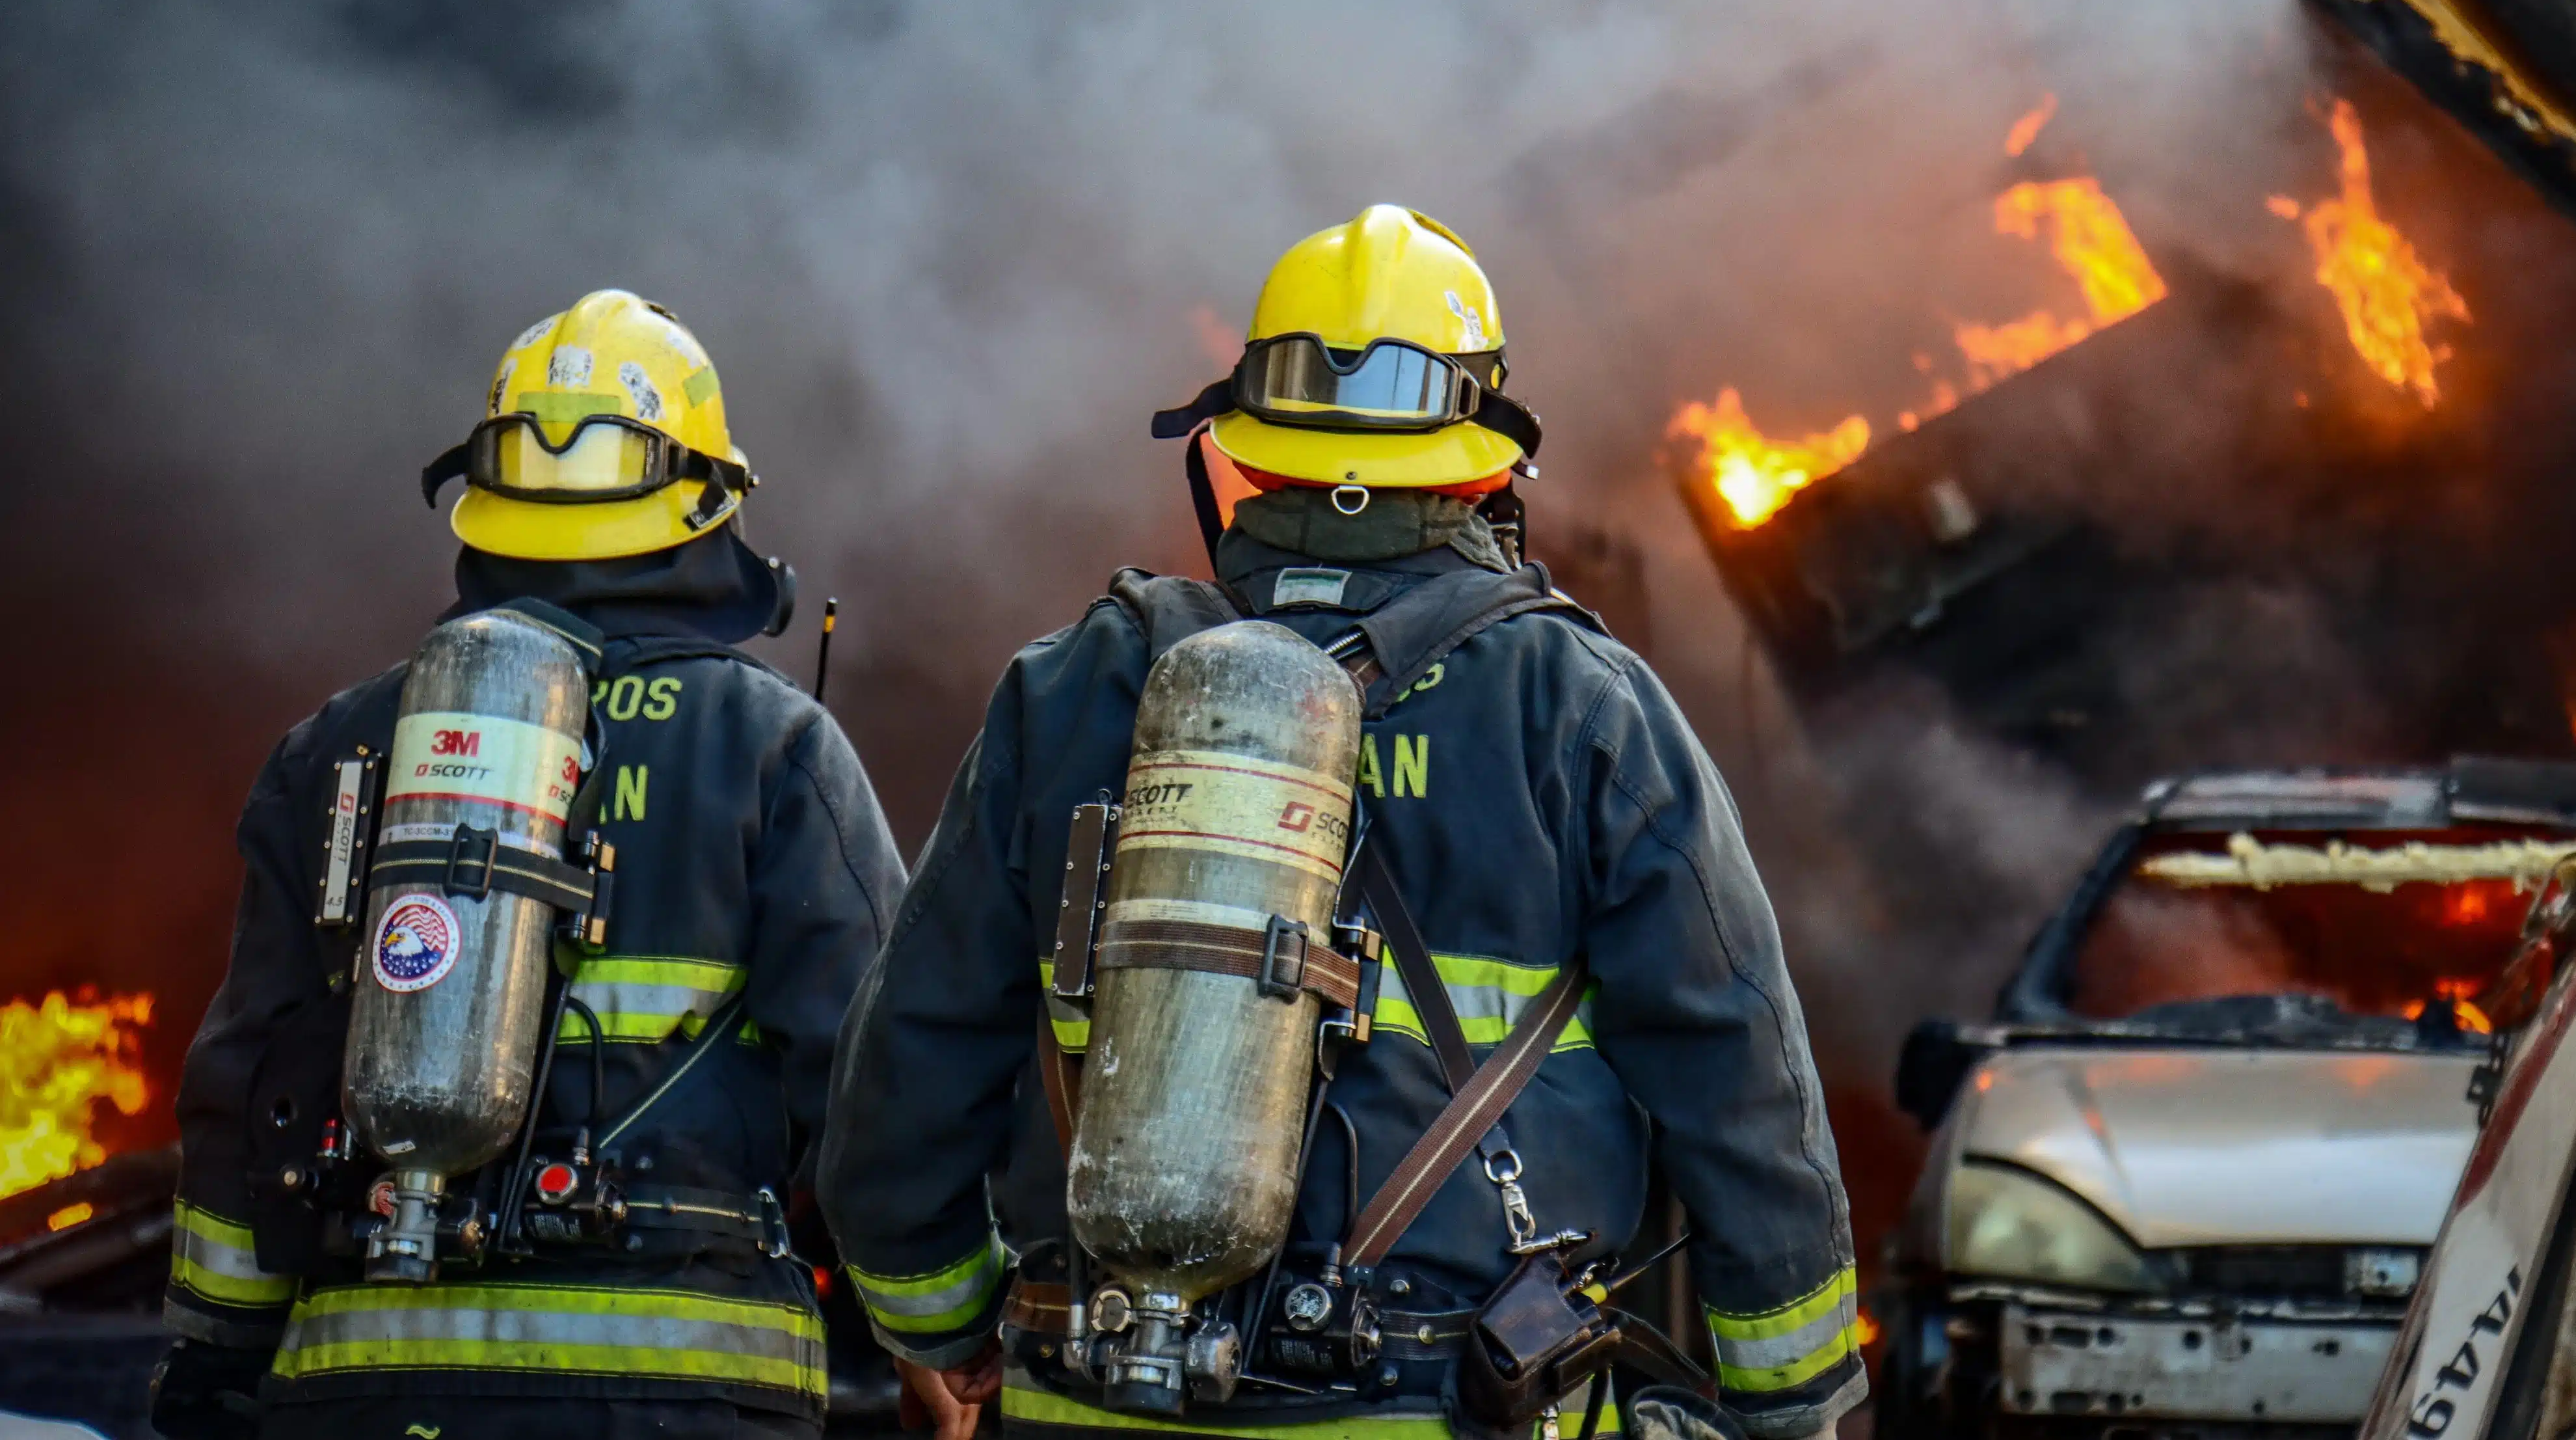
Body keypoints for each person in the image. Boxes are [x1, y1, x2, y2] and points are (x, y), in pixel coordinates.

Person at [819, 206, 1862, 1440]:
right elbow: (1740, 1079)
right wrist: (1797, 1400)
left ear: (1242, 452)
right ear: (1483, 462)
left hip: (1100, 1389)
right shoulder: (1580, 706)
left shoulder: (1074, 690)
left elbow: (906, 1072)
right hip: (1452, 1395)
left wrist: (948, 1324)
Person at [150, 290, 907, 1440]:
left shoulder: (342, 745)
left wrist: (218, 1346)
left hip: (369, 1380)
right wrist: (935, 1330)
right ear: (706, 504)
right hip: (679, 1397)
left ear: (486, 504)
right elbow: (874, 1080)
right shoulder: (769, 745)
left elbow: (251, 1081)